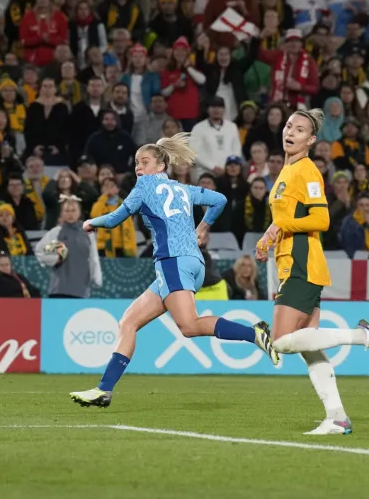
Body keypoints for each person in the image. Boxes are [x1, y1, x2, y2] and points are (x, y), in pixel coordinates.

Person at [69, 133, 278, 409]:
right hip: (193, 263)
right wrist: (202, 226)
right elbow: (219, 199)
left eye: (144, 162)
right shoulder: (182, 188)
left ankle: (254, 333)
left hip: (173, 262)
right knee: (128, 322)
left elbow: (115, 218)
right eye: (136, 162)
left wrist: (90, 223)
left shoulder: (144, 186)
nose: (138, 167)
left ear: (160, 166)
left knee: (189, 326)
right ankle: (103, 390)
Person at [255, 108, 369, 435]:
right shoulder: (286, 171)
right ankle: (337, 418)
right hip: (291, 261)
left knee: (281, 341)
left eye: (299, 129)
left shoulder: (307, 171)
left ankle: (365, 336)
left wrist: (280, 225)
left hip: (302, 262)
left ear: (311, 140)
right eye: (288, 125)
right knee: (309, 349)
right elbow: (286, 220)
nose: (290, 131)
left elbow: (321, 219)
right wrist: (268, 238)